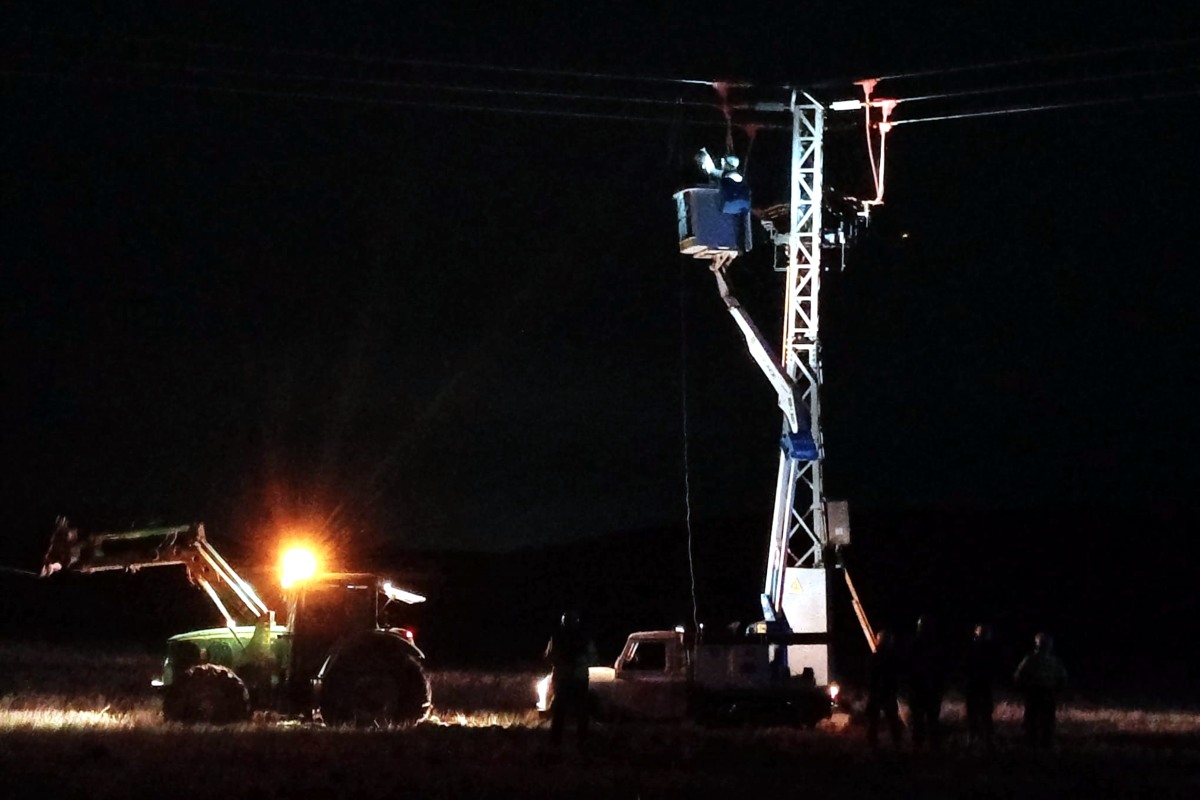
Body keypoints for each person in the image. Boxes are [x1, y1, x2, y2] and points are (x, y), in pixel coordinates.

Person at [544, 611, 597, 747]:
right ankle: (581, 741)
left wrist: (563, 662)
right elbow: (593, 658)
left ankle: (556, 742)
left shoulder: (557, 638)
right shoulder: (584, 638)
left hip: (564, 678)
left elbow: (549, 657)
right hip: (577, 678)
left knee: (561, 711)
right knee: (580, 711)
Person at [1013, 631, 1068, 748]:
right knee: (1035, 718)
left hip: (1045, 692)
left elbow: (1062, 676)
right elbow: (1019, 675)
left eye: (1046, 643)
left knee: (1044, 719)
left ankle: (1042, 742)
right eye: (1044, 643)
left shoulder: (1049, 660)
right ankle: (1034, 741)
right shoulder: (1033, 659)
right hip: (1036, 692)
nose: (1046, 646)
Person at [907, 615, 948, 751]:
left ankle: (927, 746)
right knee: (924, 720)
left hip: (927, 689)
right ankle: (924, 746)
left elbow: (941, 668)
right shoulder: (920, 645)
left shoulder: (932, 646)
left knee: (927, 720)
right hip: (922, 689)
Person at [864, 629, 904, 750]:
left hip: (880, 692)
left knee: (879, 721)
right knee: (888, 720)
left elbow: (869, 676)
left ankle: (876, 744)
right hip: (884, 693)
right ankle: (894, 745)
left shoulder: (876, 658)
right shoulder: (890, 659)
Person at [963, 623, 998, 750]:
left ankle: (984, 738)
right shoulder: (972, 649)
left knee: (984, 713)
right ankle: (975, 737)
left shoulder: (988, 650)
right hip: (975, 684)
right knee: (977, 713)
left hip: (982, 685)